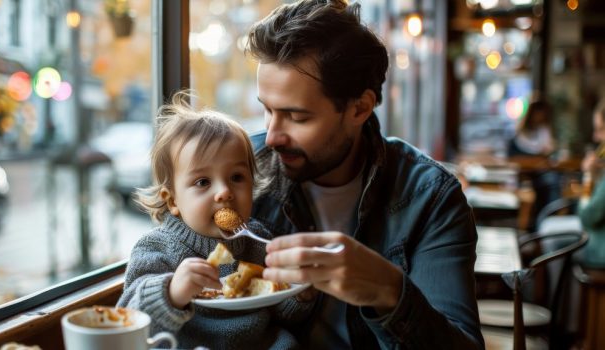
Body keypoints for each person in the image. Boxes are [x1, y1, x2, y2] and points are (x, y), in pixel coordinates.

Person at [244, 1, 483, 348]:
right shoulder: (242, 173)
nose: (271, 136)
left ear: (360, 108)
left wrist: (387, 289)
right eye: (267, 110)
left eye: (296, 117)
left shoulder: (430, 197)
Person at [117, 91, 314, 349]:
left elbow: (282, 311)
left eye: (236, 178)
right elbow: (130, 321)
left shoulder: (258, 240)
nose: (224, 192)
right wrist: (171, 292)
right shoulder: (157, 248)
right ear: (173, 201)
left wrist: (301, 294)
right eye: (203, 182)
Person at [509, 100, 563, 230]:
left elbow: (550, 152)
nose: (540, 117)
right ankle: (544, 224)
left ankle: (547, 223)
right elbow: (513, 160)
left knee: (555, 182)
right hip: (524, 177)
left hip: (541, 176)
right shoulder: (518, 136)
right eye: (538, 113)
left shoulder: (544, 131)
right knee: (551, 182)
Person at [578, 99, 605, 267]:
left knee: (553, 242)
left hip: (600, 253)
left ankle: (551, 294)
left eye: (600, 129)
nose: (596, 136)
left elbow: (586, 217)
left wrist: (588, 177)